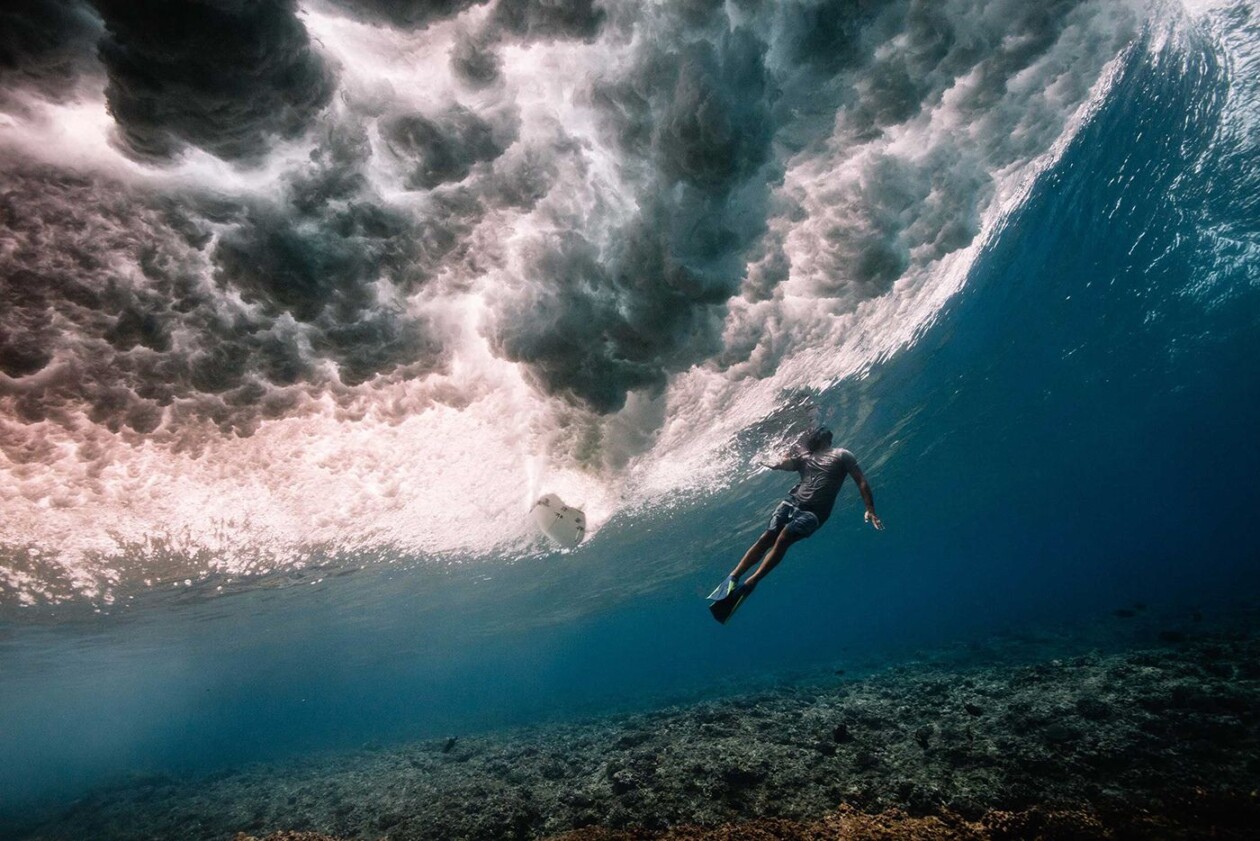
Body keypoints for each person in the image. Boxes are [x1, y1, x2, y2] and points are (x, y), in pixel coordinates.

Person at [714, 427, 882, 608]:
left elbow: (861, 480)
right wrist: (775, 463)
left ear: (826, 439)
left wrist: (870, 508)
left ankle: (751, 582)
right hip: (792, 503)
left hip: (814, 513)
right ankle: (733, 577)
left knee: (784, 538)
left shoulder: (842, 455)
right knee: (767, 537)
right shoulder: (805, 458)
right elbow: (787, 464)